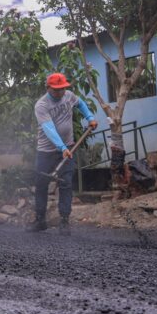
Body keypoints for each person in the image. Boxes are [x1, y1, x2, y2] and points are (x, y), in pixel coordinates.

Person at [29, 73, 97, 233]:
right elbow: (48, 129)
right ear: (48, 88)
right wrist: (62, 148)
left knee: (66, 183)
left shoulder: (69, 96)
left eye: (62, 89)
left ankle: (64, 221)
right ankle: (40, 220)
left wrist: (90, 117)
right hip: (46, 151)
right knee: (41, 184)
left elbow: (80, 103)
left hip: (68, 147)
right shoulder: (41, 105)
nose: (60, 92)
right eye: (56, 90)